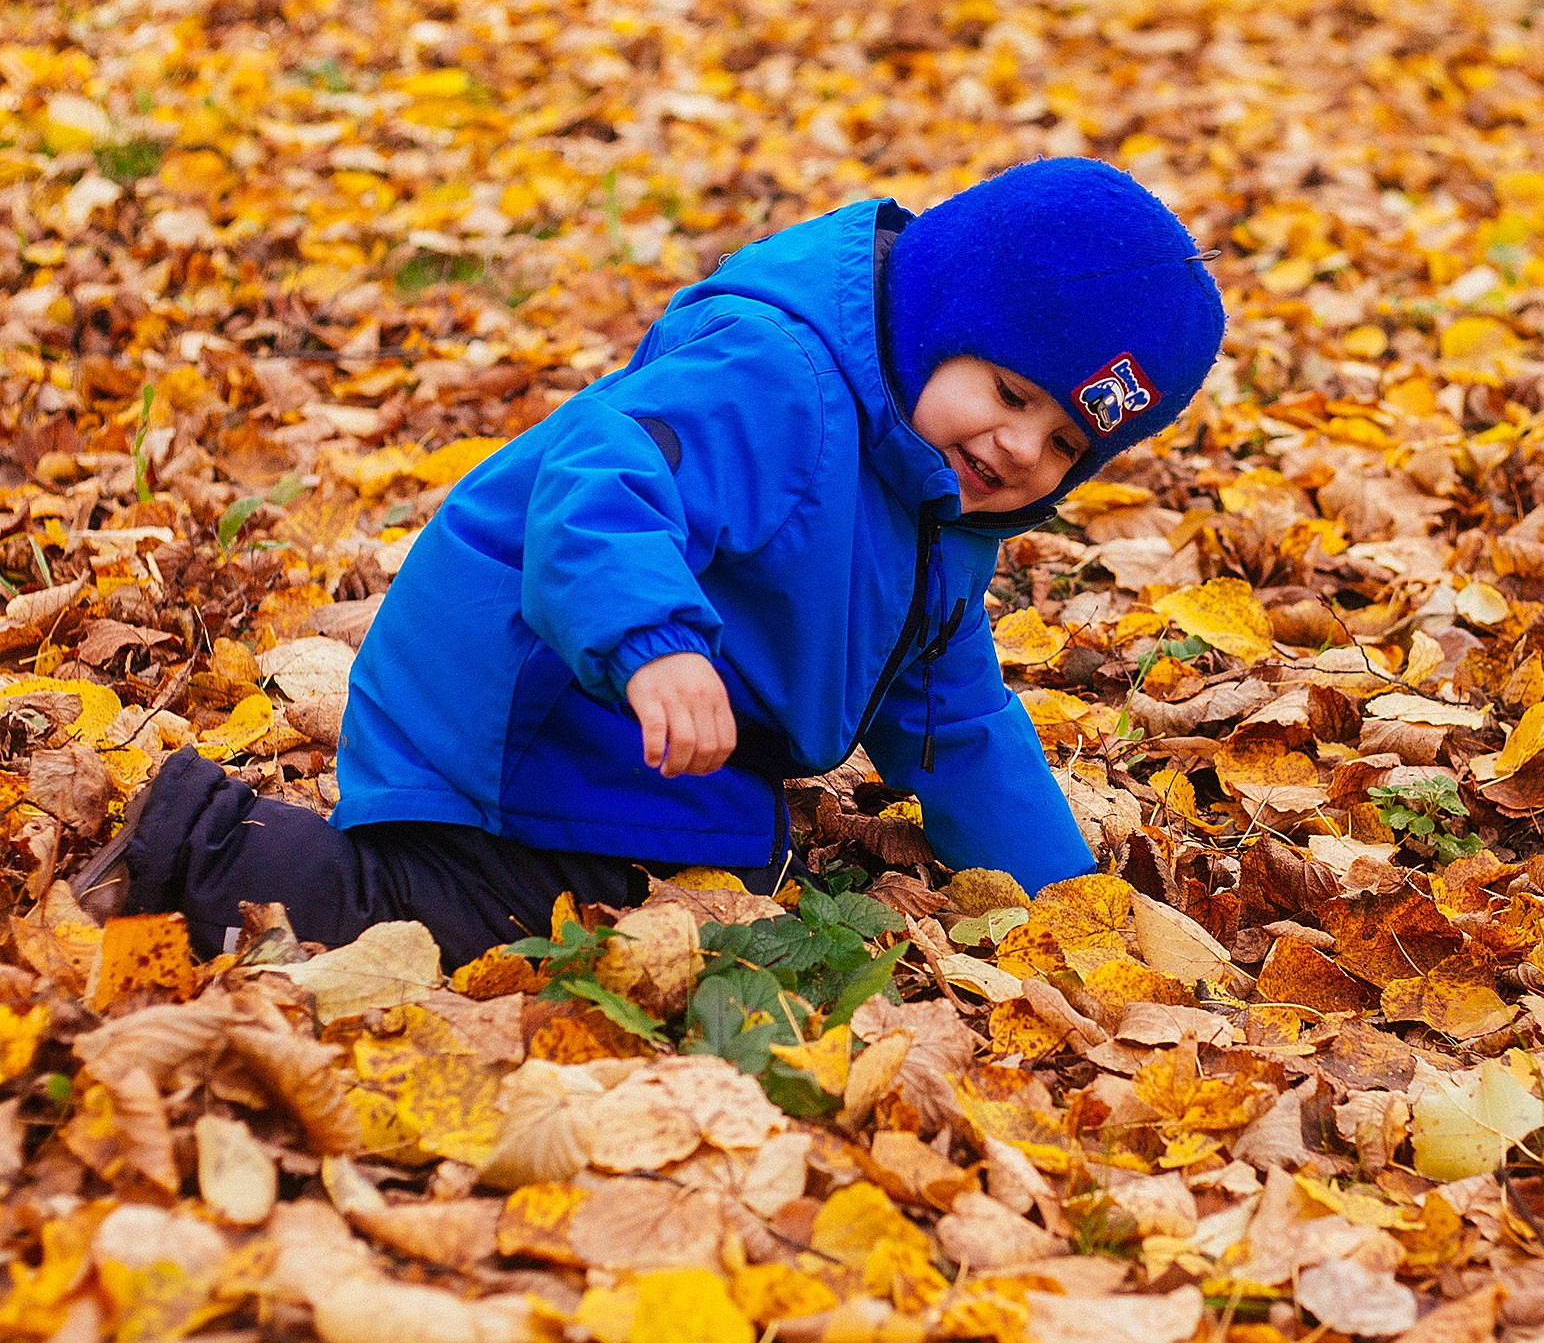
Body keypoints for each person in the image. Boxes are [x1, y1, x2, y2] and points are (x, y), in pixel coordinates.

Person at [77, 159, 1226, 969]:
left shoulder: (938, 509)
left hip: (639, 715)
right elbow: (601, 480)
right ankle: (192, 841)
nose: (1019, 446)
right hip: (525, 685)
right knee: (501, 919)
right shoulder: (779, 381)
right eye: (1010, 392)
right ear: (932, 319)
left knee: (681, 908)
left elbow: (955, 721)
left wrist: (1068, 911)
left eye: (1067, 441)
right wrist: (652, 642)